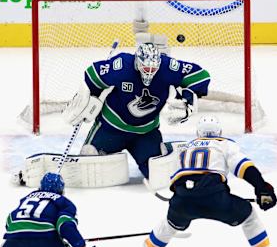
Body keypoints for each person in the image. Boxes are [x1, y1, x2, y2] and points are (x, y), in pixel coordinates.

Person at [131, 115, 277, 247]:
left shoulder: (186, 148)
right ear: (219, 132)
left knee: (169, 224)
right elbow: (244, 167)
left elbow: (175, 179)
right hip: (216, 199)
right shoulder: (224, 144)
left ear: (198, 133)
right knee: (249, 216)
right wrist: (261, 187)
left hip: (183, 201)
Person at [71, 42, 210, 179]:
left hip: (145, 133)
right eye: (145, 68)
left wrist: (188, 100)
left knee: (157, 174)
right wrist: (86, 100)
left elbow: (201, 76)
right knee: (89, 161)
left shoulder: (168, 67)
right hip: (111, 129)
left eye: (153, 69)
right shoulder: (122, 65)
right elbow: (92, 75)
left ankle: (168, 150)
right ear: (137, 61)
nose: (149, 72)